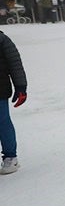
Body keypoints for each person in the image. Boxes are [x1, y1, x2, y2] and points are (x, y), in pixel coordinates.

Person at [0, 28, 27, 175]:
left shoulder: (2, 40)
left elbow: (15, 64)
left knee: (2, 122)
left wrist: (21, 87)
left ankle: (10, 157)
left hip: (0, 89)